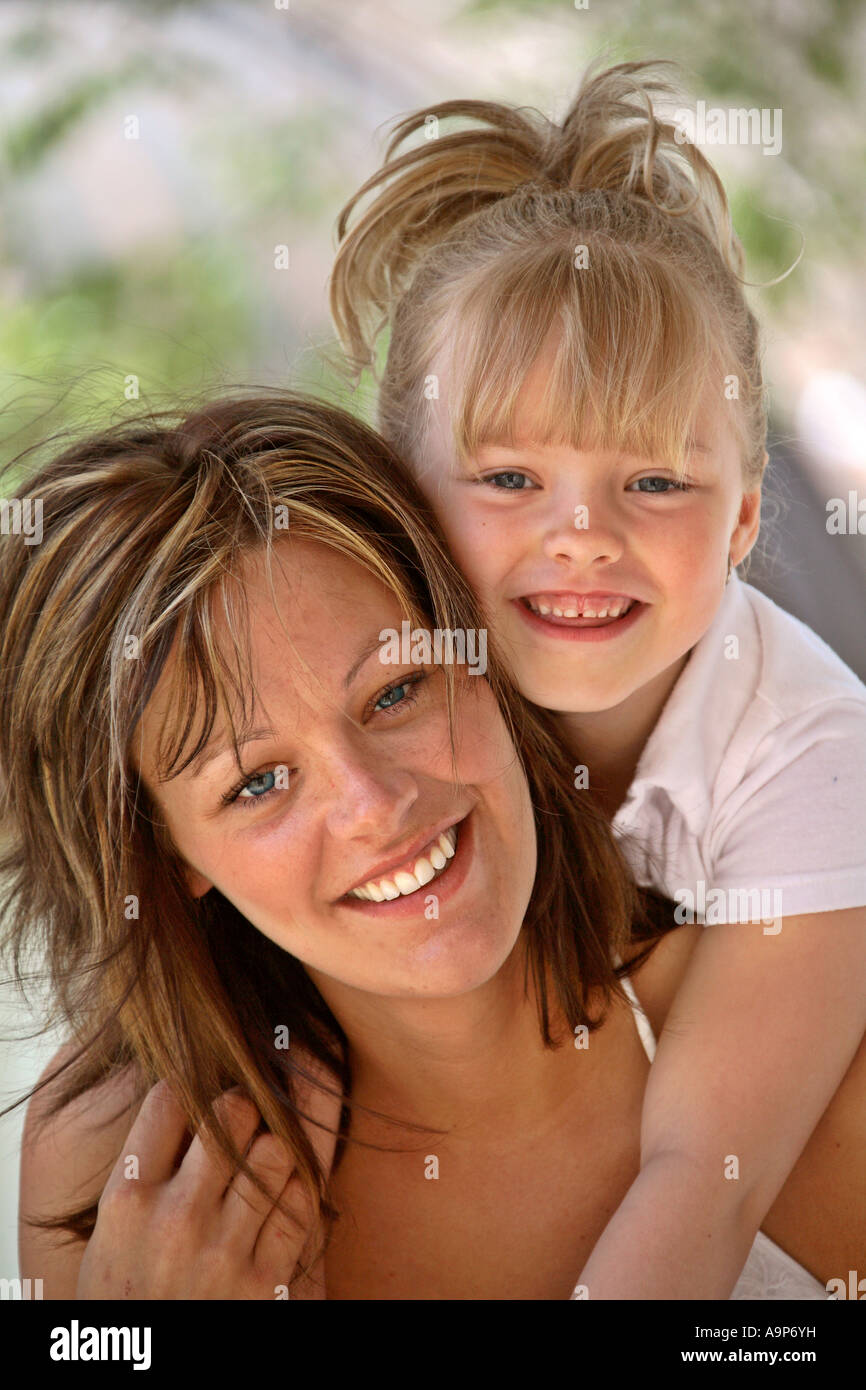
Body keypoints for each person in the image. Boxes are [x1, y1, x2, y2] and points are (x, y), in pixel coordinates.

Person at [3, 391, 863, 1300]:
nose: (374, 805)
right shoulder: (114, 1167)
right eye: (256, 782)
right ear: (168, 859)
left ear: (482, 655)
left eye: (397, 691)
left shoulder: (799, 1054)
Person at [328, 57, 866, 1297]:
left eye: (656, 483)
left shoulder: (816, 751)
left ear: (739, 523)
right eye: (509, 478)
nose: (580, 535)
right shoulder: (377, 684)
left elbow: (703, 1175)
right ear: (401, 490)